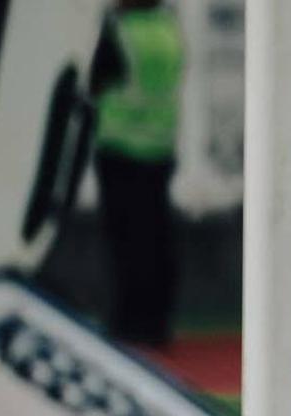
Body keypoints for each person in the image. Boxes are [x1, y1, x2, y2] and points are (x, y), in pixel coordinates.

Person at [92, 0, 183, 347]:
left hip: (120, 146)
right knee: (157, 238)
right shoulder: (168, 30)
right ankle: (157, 323)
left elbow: (98, 80)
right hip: (160, 146)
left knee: (127, 242)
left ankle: (129, 324)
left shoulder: (119, 31)